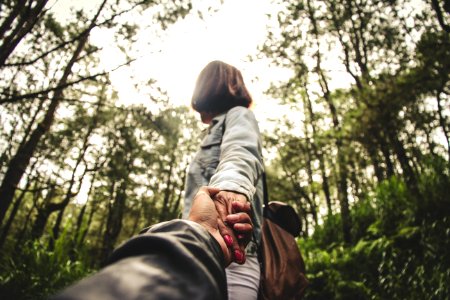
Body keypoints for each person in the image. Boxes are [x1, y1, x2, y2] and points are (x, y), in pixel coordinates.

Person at [52, 186, 251, 300]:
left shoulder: (235, 114)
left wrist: (231, 193)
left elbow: (238, 154)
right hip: (207, 253)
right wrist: (204, 232)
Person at [183, 60, 264, 300]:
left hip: (232, 253)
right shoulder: (211, 131)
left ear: (208, 87)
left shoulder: (239, 115)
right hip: (198, 250)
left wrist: (228, 192)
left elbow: (241, 152)